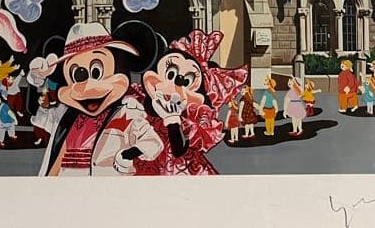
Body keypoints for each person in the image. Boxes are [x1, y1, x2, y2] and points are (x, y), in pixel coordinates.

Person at [32, 22, 163, 176]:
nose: (88, 87)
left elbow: (153, 143)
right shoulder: (65, 115)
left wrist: (127, 154)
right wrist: (39, 80)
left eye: (96, 72)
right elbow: (42, 117)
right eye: (78, 75)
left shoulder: (127, 113)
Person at [131, 29, 248, 175]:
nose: (176, 84)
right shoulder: (138, 102)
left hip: (177, 169)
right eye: (170, 74)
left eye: (186, 82)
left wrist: (172, 120)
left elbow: (179, 150)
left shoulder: (189, 121)